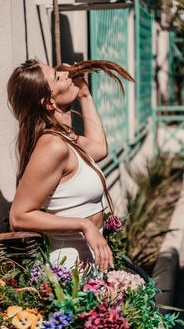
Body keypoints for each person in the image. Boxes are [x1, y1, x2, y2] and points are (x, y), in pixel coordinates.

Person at [7, 59, 133, 271]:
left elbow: (99, 148)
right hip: (68, 270)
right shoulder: (52, 145)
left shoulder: (64, 138)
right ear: (49, 102)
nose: (65, 74)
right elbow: (19, 215)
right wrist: (83, 225)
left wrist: (84, 94)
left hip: (89, 264)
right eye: (57, 77)